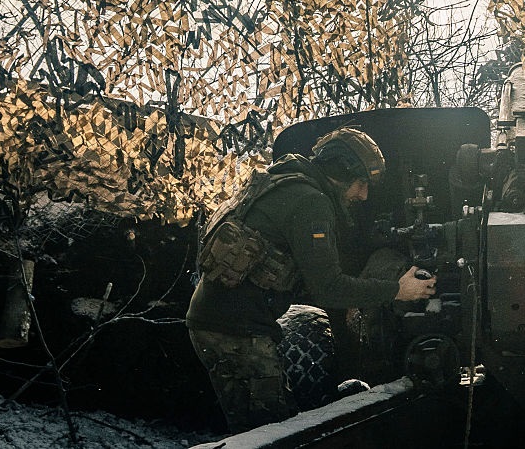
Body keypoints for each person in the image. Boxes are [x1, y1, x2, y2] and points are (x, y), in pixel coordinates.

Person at [186, 127, 436, 433]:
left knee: (265, 426)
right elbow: (329, 289)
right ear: (341, 172)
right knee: (271, 434)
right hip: (234, 331)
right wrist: (398, 290)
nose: (363, 195)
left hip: (218, 321)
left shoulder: (285, 179)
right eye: (361, 183)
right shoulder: (311, 202)